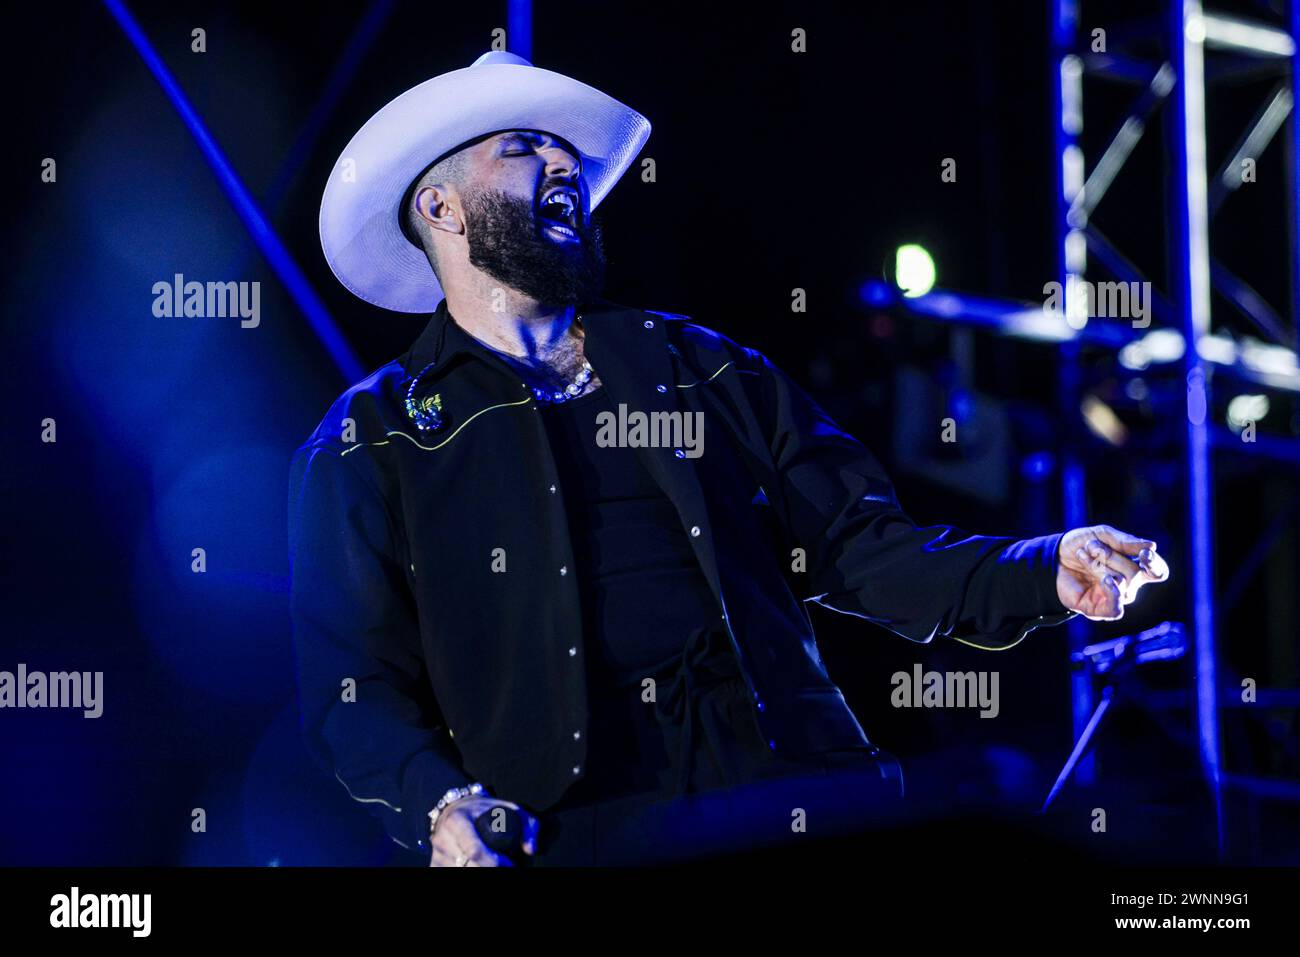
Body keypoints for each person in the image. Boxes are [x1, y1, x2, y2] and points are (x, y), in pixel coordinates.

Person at [290, 51, 1170, 867]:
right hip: (572, 832)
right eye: (523, 149)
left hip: (785, 793)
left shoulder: (703, 368)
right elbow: (351, 687)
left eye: (567, 155)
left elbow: (871, 551)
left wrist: (1041, 565)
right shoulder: (374, 439)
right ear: (441, 207)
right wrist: (442, 805)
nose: (562, 168)